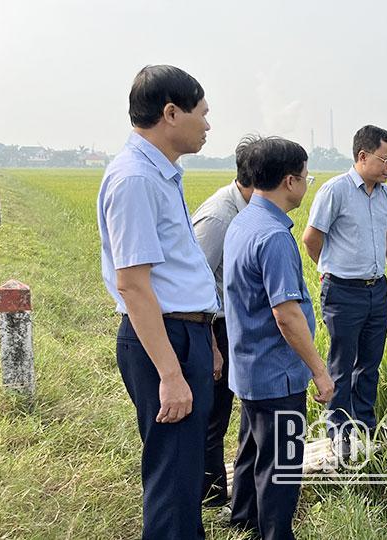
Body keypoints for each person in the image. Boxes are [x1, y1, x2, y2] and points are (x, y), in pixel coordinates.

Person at [96, 64, 216, 539]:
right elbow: (133, 285)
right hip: (163, 340)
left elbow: (172, 271)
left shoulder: (161, 174)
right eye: (202, 114)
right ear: (171, 113)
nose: (208, 125)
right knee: (172, 478)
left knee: (186, 476)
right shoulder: (135, 180)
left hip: (185, 333)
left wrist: (205, 339)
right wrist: (170, 373)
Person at [223, 136, 334, 539]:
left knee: (253, 449)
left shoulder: (244, 221)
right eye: (307, 177)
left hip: (250, 367)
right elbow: (286, 315)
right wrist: (320, 372)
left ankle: (242, 519)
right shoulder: (273, 236)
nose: (307, 184)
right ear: (290, 181)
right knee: (282, 465)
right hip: (277, 372)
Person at [302, 125, 387, 454]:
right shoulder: (335, 191)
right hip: (343, 292)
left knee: (370, 361)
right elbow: (311, 238)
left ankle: (365, 421)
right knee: (342, 361)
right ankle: (339, 428)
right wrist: (330, 269)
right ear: (362, 156)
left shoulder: (386, 195)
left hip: (377, 290)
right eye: (385, 160)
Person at [190, 134, 258, 507]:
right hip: (212, 325)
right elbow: (197, 280)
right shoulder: (219, 216)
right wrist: (213, 344)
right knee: (212, 416)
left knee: (224, 410)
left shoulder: (246, 210)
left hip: (229, 324)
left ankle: (215, 493)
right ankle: (211, 497)